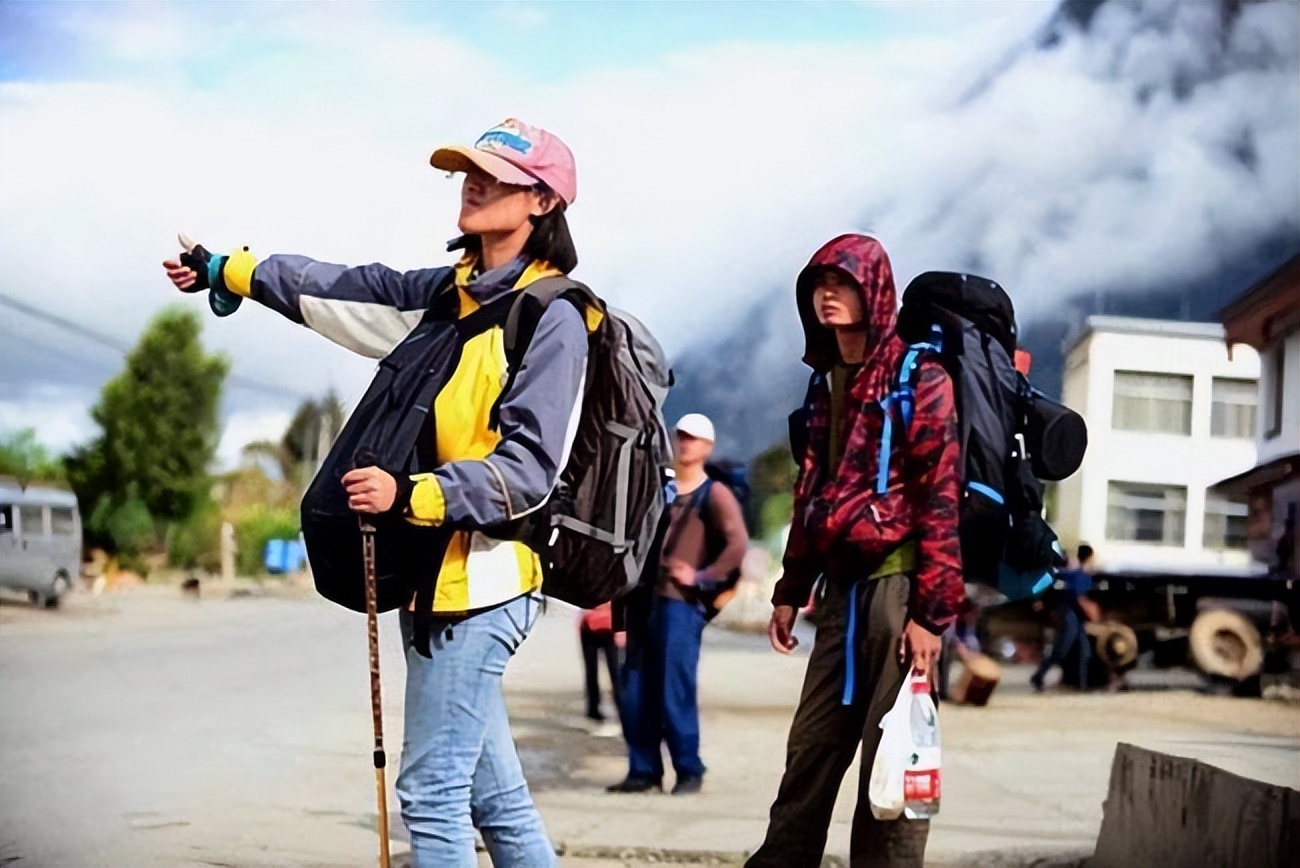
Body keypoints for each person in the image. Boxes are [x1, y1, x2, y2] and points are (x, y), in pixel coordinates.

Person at [162, 119, 587, 868]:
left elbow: (528, 469)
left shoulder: (551, 319)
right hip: (433, 581)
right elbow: (336, 287)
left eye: (495, 176)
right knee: (495, 799)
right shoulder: (443, 299)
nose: (473, 182)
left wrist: (411, 494)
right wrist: (229, 271)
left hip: (485, 586)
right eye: (468, 170)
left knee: (430, 794)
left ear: (544, 202)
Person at [746, 234, 964, 868]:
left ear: (875, 291)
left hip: (900, 591)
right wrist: (790, 592)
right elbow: (811, 490)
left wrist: (931, 613)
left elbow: (941, 496)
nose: (827, 295)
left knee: (889, 762)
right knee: (810, 753)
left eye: (841, 283)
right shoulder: (825, 383)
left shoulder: (919, 377)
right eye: (818, 284)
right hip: (840, 595)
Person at [607, 413, 748, 795]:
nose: (684, 444)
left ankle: (688, 768)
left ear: (707, 447)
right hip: (642, 600)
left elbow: (737, 544)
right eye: (680, 437)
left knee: (675, 688)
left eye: (692, 439)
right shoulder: (656, 490)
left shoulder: (712, 493)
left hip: (680, 605)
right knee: (634, 689)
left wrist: (702, 577)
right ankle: (643, 770)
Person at [1031, 544, 1098, 692]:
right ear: (1090, 558)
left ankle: (1082, 685)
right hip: (1070, 617)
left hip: (1077, 619)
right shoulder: (1080, 576)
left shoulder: (1073, 574)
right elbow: (1078, 597)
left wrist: (1040, 598)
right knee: (1060, 651)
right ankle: (1038, 677)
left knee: (1084, 652)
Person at [579, 601, 622, 736]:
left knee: (615, 673)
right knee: (592, 672)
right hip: (589, 626)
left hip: (609, 627)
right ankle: (593, 712)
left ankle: (622, 711)